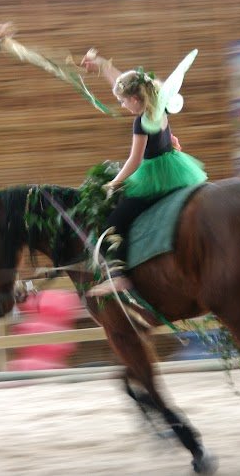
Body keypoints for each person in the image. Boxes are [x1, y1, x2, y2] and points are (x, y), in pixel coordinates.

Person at [80, 49, 207, 296]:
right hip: (175, 168)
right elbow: (127, 83)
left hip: (153, 175)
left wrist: (114, 183)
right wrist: (104, 65)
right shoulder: (158, 104)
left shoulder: (140, 121)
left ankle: (118, 276)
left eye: (124, 101)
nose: (122, 105)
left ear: (135, 100)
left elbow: (135, 160)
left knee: (113, 223)